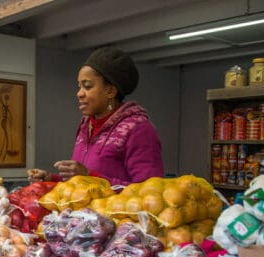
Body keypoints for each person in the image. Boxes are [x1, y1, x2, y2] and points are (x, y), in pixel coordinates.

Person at [28, 46, 164, 186]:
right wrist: (52, 180)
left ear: (110, 91)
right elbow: (82, 184)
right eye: (79, 86)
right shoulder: (86, 126)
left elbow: (149, 191)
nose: (79, 93)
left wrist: (90, 176)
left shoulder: (139, 130)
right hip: (83, 209)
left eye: (87, 86)